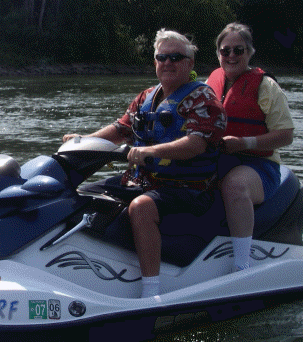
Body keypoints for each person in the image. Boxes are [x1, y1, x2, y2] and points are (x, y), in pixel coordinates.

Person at [63, 29, 226, 297]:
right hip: (141, 181)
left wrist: (150, 151)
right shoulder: (146, 97)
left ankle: (151, 291)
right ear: (155, 63)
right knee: (77, 195)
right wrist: (84, 140)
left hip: (189, 188)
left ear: (190, 63)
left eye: (176, 57)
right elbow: (120, 130)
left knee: (141, 208)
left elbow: (196, 144)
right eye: (162, 57)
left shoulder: (203, 99)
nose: (168, 62)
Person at [206, 22, 295, 272]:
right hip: (218, 158)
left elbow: (286, 135)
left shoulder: (266, 87)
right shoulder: (210, 83)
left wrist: (244, 143)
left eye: (239, 50)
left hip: (259, 165)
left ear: (249, 52)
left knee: (234, 185)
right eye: (226, 51)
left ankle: (242, 264)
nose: (232, 56)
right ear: (218, 54)